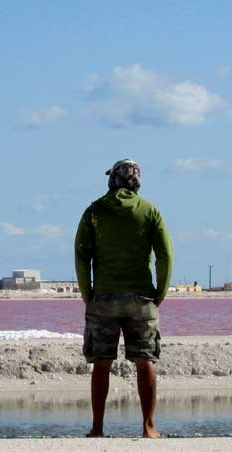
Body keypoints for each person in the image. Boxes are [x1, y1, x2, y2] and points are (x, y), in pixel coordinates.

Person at [75, 159, 173, 438]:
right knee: (146, 361)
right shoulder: (150, 211)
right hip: (142, 297)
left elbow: (82, 256)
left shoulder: (94, 211)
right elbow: (165, 255)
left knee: (101, 363)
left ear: (112, 180)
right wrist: (160, 294)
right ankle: (149, 426)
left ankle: (97, 428)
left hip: (103, 297)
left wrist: (88, 295)